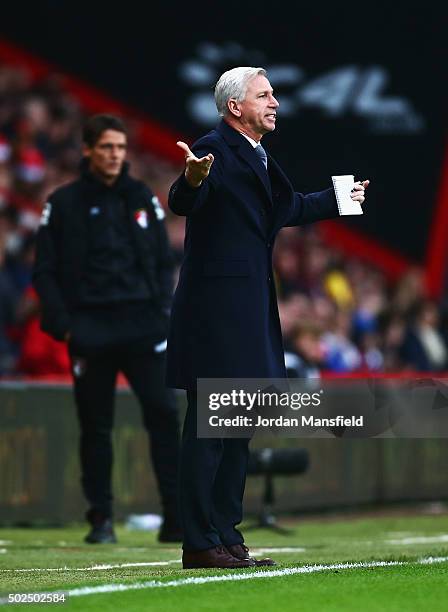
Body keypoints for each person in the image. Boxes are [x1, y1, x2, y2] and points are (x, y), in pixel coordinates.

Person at [167, 67, 369, 569]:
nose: (275, 101)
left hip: (249, 308)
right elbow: (186, 197)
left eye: (274, 93)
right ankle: (199, 541)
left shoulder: (257, 154)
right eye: (264, 94)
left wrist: (339, 199)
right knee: (211, 429)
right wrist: (189, 181)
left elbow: (286, 208)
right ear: (236, 107)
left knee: (239, 425)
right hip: (216, 313)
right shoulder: (212, 147)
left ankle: (226, 534)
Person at [33, 114, 182, 544]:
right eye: (106, 147)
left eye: (120, 148)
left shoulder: (141, 197)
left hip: (142, 326)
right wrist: (65, 326)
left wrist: (160, 314)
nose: (115, 155)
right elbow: (44, 271)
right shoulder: (62, 204)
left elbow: (162, 260)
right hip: (91, 329)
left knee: (164, 415)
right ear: (87, 150)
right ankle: (101, 520)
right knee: (96, 426)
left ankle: (174, 518)